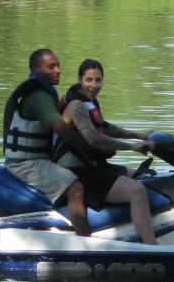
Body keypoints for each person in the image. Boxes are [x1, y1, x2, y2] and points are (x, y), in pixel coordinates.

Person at [52, 59, 160, 245]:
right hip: (77, 172)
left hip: (91, 165)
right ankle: (151, 245)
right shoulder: (77, 105)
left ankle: (135, 226)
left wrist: (139, 135)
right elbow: (94, 138)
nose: (94, 85)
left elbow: (106, 128)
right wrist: (133, 147)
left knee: (141, 174)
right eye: (89, 80)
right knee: (137, 191)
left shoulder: (88, 100)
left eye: (98, 80)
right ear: (80, 79)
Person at [3, 49, 93, 236]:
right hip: (26, 164)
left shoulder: (46, 89)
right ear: (36, 70)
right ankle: (85, 242)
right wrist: (92, 145)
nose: (58, 70)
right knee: (75, 187)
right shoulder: (39, 96)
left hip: (39, 159)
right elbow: (62, 131)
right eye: (51, 67)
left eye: (58, 65)